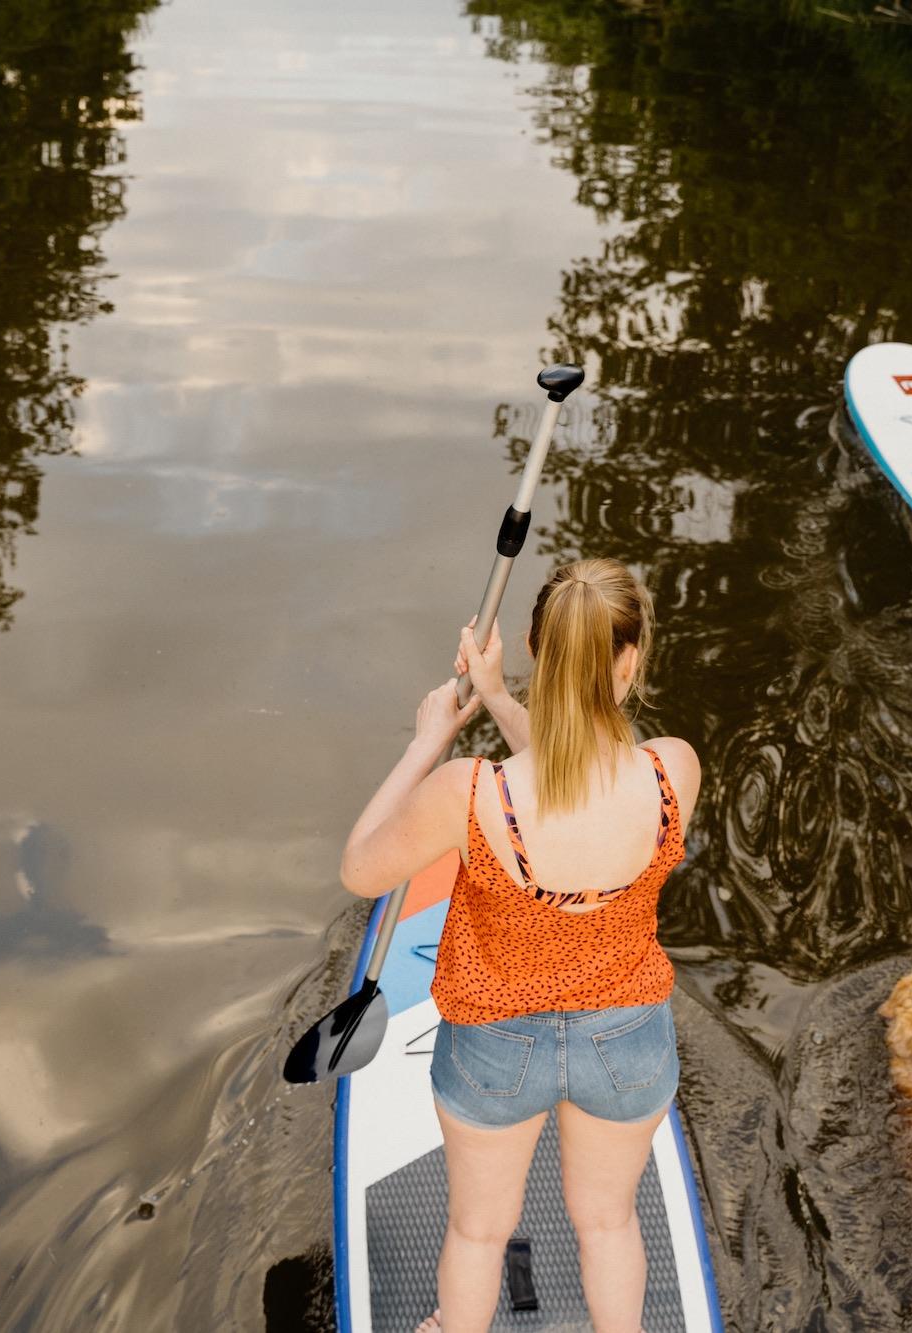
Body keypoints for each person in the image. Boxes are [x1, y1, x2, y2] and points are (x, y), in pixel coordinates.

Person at [339, 558, 702, 1333]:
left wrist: (428, 742)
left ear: (539, 648)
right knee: (608, 1222)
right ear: (630, 660)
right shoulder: (673, 771)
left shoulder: (473, 793)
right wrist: (499, 700)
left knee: (478, 1229)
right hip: (626, 1038)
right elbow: (573, 768)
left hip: (495, 1047)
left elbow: (361, 867)